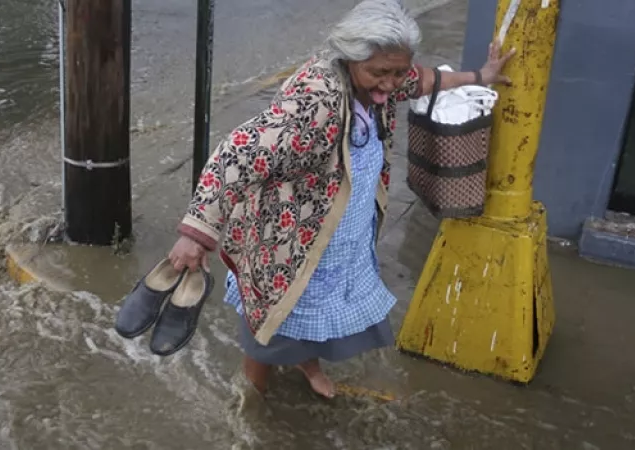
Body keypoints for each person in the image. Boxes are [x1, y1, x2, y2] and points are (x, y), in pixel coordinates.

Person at [169, 0, 514, 398]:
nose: (389, 84)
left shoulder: (381, 76)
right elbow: (238, 154)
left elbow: (418, 80)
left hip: (336, 236)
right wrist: (196, 233)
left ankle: (305, 360)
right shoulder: (316, 102)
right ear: (350, 59)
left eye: (397, 70)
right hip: (290, 238)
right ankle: (251, 398)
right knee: (272, 325)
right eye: (379, 73)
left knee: (314, 311)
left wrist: (479, 76)